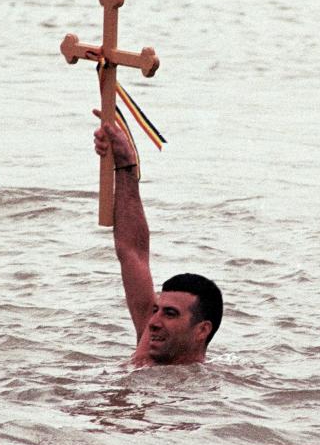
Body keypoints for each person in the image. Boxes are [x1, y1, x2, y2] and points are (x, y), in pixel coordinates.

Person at [92, 109, 223, 366]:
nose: (153, 322)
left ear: (202, 330)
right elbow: (132, 252)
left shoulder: (210, 385)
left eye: (170, 314)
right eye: (155, 310)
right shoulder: (147, 346)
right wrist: (125, 165)